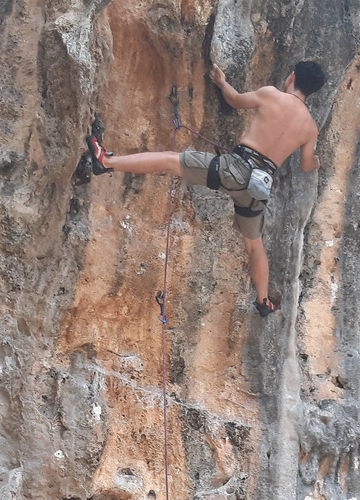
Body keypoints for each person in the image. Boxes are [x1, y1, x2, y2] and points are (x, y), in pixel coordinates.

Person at [85, 61, 327, 316]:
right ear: (312, 92)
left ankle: (106, 161)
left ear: (291, 76)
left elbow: (234, 100)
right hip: (258, 188)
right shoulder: (310, 128)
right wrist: (316, 162)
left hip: (235, 168)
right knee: (255, 244)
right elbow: (306, 164)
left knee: (170, 160)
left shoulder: (271, 94)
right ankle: (263, 301)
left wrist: (222, 82)